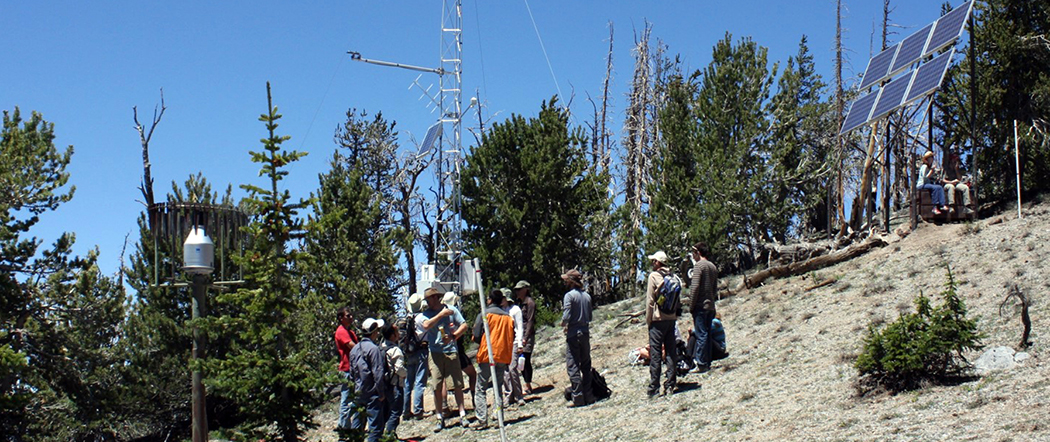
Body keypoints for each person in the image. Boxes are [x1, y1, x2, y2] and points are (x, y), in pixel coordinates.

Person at [417, 287, 469, 431]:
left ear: (435, 298)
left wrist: (453, 336)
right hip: (435, 353)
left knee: (457, 384)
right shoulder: (427, 314)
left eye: (429, 299)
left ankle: (462, 414)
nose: (427, 302)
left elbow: (464, 325)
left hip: (451, 351)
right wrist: (441, 315)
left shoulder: (451, 310)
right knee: (437, 386)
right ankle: (440, 417)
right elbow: (426, 325)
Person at [471, 289, 516, 430]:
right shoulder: (508, 317)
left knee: (481, 388)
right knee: (498, 386)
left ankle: (481, 419)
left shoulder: (485, 314)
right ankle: (499, 417)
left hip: (487, 354)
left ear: (490, 300)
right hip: (502, 355)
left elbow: (476, 334)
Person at [644, 251, 679, 398]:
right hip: (671, 319)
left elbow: (650, 301)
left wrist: (648, 319)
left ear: (658, 263)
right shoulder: (674, 277)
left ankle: (654, 388)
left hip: (658, 320)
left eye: (654, 261)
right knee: (671, 352)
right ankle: (670, 384)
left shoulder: (654, 276)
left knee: (656, 354)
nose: (652, 264)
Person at [348, 318, 387, 442]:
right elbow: (378, 372)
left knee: (357, 424)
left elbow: (352, 373)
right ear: (374, 332)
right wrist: (381, 393)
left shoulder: (354, 349)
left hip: (358, 392)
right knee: (375, 428)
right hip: (372, 393)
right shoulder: (373, 349)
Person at [561, 269, 594, 407]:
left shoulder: (569, 296)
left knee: (573, 364)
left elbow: (567, 316)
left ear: (570, 281)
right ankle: (589, 395)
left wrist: (563, 324)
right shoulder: (587, 296)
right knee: (586, 364)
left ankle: (578, 398)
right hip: (585, 332)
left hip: (573, 333)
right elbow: (590, 317)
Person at [689, 242, 719, 373]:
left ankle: (701, 363)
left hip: (700, 306)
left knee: (701, 334)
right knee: (707, 334)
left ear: (698, 252)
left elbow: (694, 287)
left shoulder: (698, 266)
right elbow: (714, 289)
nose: (692, 255)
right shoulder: (712, 266)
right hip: (710, 306)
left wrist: (691, 305)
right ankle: (707, 361)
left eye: (693, 252)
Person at [401, 292, 429, 420]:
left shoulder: (407, 319)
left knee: (408, 382)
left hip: (409, 351)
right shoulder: (422, 318)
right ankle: (418, 410)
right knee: (420, 381)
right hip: (421, 350)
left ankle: (405, 410)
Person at [334, 307, 360, 438]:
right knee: (346, 399)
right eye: (348, 316)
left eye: (351, 315)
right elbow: (353, 346)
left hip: (353, 368)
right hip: (346, 369)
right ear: (341, 318)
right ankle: (344, 429)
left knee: (353, 398)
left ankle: (348, 427)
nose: (351, 318)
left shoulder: (350, 331)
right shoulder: (341, 331)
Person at [381, 321, 407, 439]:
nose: (399, 334)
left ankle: (381, 435)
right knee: (395, 412)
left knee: (386, 411)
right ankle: (390, 436)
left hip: (384, 385)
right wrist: (406, 374)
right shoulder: (396, 350)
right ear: (392, 335)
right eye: (396, 332)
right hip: (395, 385)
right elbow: (399, 369)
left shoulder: (380, 348)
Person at [501, 288, 525, 406]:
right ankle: (508, 395)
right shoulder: (500, 311)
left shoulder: (515, 310)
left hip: (514, 342)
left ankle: (519, 395)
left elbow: (519, 327)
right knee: (505, 371)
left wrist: (520, 343)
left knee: (512, 368)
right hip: (503, 344)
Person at [513, 280, 537, 394]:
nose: (517, 292)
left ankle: (528, 385)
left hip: (527, 335)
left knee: (525, 359)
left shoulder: (530, 303)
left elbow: (530, 321)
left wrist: (526, 337)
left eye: (519, 289)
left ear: (525, 290)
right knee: (519, 360)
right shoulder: (518, 303)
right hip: (519, 334)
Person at [918, 150, 949, 215]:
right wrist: (932, 171)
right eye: (930, 157)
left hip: (927, 184)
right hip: (922, 184)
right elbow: (925, 177)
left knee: (939, 187)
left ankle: (942, 205)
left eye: (932, 157)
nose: (932, 159)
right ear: (927, 159)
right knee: (935, 188)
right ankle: (934, 207)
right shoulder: (924, 166)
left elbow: (931, 178)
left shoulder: (929, 168)